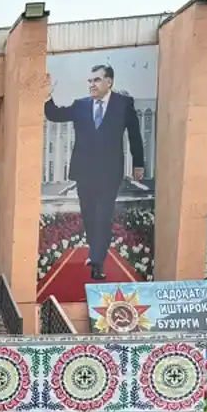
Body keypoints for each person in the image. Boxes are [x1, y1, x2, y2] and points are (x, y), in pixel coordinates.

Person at [45, 64, 146, 280]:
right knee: (90, 216)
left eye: (96, 80)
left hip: (110, 172)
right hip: (84, 172)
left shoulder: (123, 104)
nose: (92, 85)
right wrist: (47, 96)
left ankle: (97, 261)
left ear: (109, 82)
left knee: (103, 216)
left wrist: (139, 163)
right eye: (89, 81)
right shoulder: (80, 105)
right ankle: (95, 250)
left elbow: (135, 135)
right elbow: (54, 115)